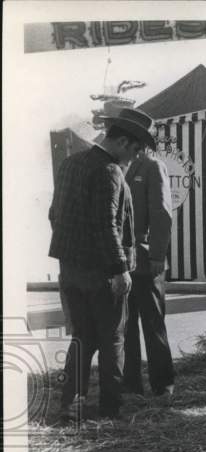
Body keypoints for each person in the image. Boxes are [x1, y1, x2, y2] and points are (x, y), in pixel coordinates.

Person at [48, 107, 154, 420]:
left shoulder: (70, 163)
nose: (135, 157)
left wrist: (73, 252)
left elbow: (55, 214)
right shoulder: (110, 171)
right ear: (121, 141)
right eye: (135, 150)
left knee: (81, 338)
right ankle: (111, 408)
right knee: (113, 340)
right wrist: (120, 269)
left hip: (71, 268)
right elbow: (108, 225)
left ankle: (70, 404)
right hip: (102, 273)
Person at [123, 148, 175, 397]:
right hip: (121, 261)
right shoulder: (118, 165)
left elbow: (161, 213)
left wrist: (157, 254)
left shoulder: (152, 166)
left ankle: (163, 385)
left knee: (153, 324)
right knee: (126, 326)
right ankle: (131, 385)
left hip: (145, 260)